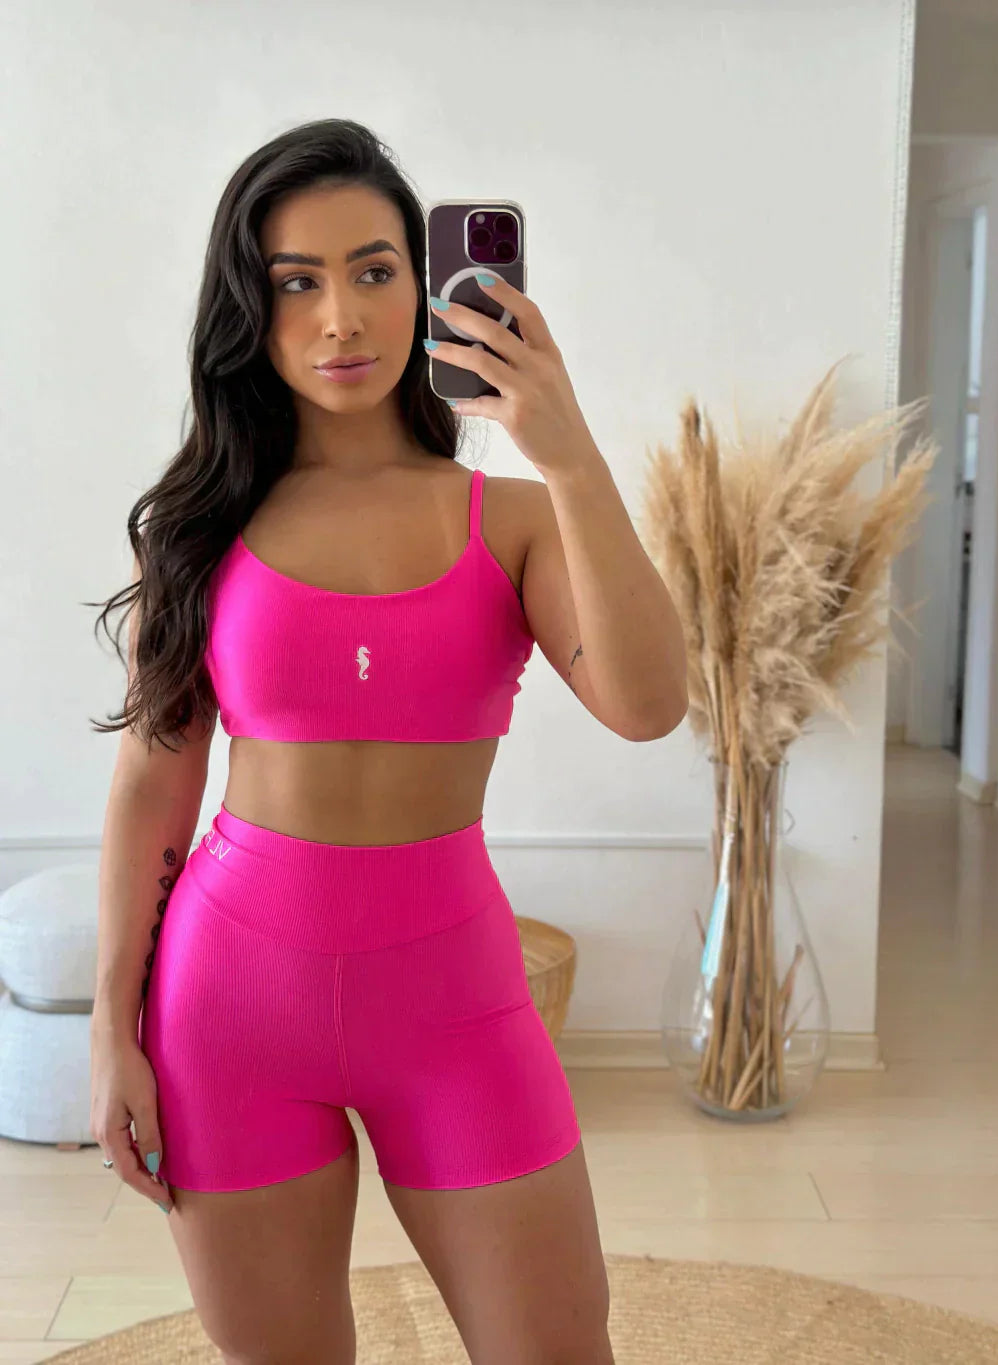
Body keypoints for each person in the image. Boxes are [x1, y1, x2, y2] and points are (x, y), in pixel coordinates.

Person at [86, 118, 671, 1365]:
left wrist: (568, 451)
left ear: (427, 284)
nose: (340, 318)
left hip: (456, 1003)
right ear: (249, 309)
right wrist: (109, 1028)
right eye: (295, 282)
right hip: (228, 1009)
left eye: (373, 271)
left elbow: (648, 703)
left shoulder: (516, 517)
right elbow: (151, 785)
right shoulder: (200, 530)